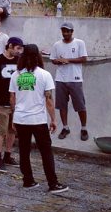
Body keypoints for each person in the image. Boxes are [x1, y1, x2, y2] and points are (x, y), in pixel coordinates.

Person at [9, 44, 69, 194]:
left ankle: (28, 180)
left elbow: (12, 98)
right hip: (37, 120)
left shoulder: (16, 75)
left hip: (21, 119)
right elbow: (49, 100)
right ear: (38, 57)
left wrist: (14, 118)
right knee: (46, 151)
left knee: (24, 150)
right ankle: (53, 183)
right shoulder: (44, 75)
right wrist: (54, 119)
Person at [0, 37, 24, 172]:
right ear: (10, 46)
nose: (20, 51)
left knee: (12, 129)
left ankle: (8, 155)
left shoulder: (19, 61)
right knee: (1, 130)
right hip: (1, 101)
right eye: (18, 48)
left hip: (16, 102)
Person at [50, 22, 89, 141]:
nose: (65, 33)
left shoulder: (79, 43)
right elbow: (53, 59)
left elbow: (84, 58)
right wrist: (59, 61)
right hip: (61, 79)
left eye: (67, 31)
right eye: (63, 31)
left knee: (80, 105)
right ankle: (65, 128)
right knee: (62, 105)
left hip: (75, 79)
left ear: (72, 32)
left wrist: (68, 60)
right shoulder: (57, 44)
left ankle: (83, 128)